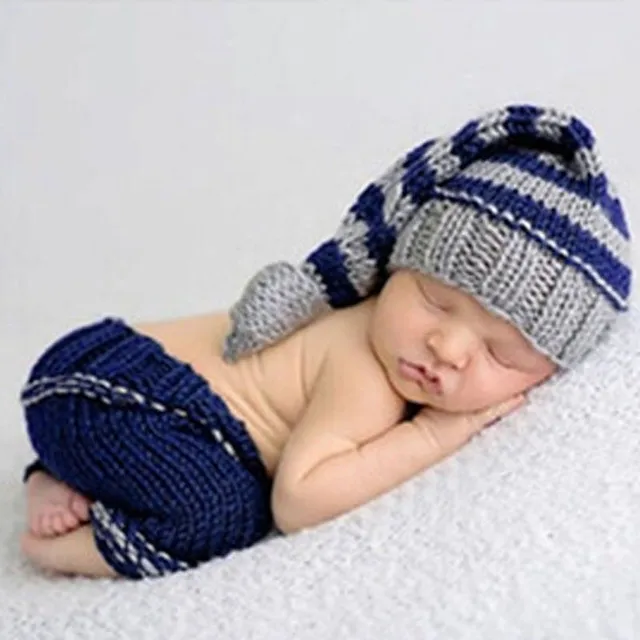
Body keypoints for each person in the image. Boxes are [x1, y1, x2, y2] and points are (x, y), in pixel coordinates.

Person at [19, 104, 632, 580]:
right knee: (224, 512)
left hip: (97, 380)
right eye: (434, 301)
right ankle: (60, 548)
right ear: (394, 267)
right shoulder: (364, 369)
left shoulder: (404, 354)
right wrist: (433, 434)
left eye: (501, 353)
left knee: (202, 477)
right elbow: (300, 500)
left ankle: (59, 473)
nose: (447, 346)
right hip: (121, 394)